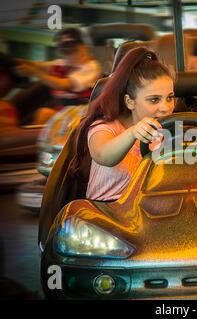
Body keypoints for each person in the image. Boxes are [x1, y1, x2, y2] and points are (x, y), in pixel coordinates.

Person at [69, 47, 175, 201]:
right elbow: (102, 155)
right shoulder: (104, 127)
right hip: (108, 213)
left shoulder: (167, 131)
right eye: (154, 99)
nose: (166, 108)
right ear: (130, 102)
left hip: (151, 210)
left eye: (170, 98)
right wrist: (133, 133)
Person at [13, 27, 101, 124]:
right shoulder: (62, 64)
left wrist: (34, 73)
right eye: (64, 49)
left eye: (71, 48)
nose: (67, 53)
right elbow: (36, 65)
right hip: (63, 112)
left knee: (44, 114)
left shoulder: (90, 67)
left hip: (80, 116)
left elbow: (62, 84)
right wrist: (13, 61)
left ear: (83, 47)